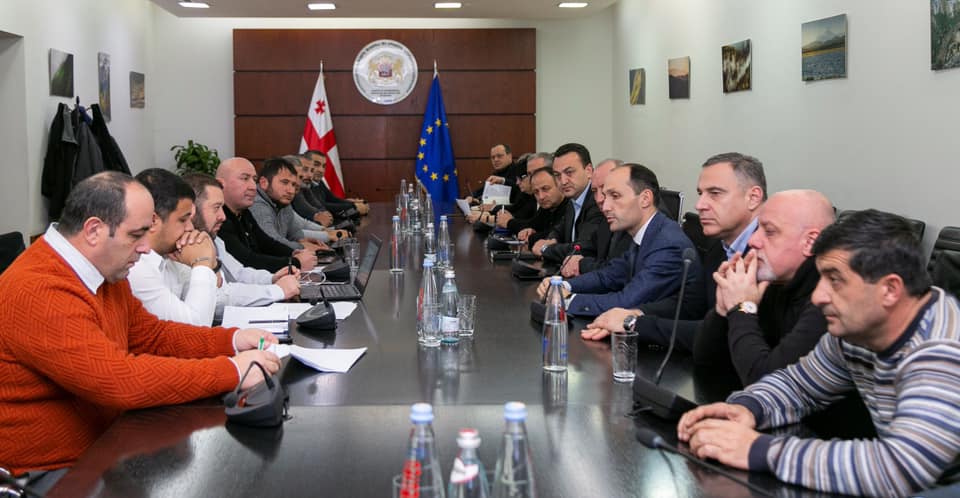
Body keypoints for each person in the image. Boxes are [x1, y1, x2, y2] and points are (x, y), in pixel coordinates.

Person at [0, 171, 279, 486]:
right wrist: (232, 371)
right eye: (136, 235)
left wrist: (231, 341)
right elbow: (118, 380)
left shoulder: (103, 270)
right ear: (93, 230)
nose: (146, 248)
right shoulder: (38, 288)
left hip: (104, 444)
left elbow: (153, 336)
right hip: (46, 473)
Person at [678, 209, 960, 497]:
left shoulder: (942, 351)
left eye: (835, 280)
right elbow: (798, 385)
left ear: (890, 289)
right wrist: (748, 407)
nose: (818, 296)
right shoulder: (856, 332)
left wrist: (758, 449)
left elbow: (900, 470)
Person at [582, 152, 766, 350]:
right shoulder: (718, 246)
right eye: (700, 194)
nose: (699, 205)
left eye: (715, 193)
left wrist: (633, 323)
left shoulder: (768, 257)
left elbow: (724, 337)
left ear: (753, 197)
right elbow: (691, 306)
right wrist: (635, 313)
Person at [691, 189, 834, 386]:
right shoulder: (770, 281)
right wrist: (722, 311)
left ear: (810, 242)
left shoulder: (828, 301)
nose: (753, 240)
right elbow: (706, 363)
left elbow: (769, 383)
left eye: (770, 231)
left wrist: (742, 308)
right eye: (757, 228)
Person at [536, 164, 701, 318]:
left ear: (645, 199)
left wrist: (566, 300)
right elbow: (609, 276)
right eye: (605, 196)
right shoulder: (647, 233)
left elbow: (627, 302)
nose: (605, 206)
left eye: (615, 196)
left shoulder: (667, 244)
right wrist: (563, 286)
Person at [182, 173, 300, 312]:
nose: (223, 216)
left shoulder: (214, 239)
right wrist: (277, 290)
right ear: (192, 211)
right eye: (216, 208)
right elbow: (215, 301)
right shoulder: (183, 247)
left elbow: (238, 274)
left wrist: (272, 279)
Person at [127, 168, 220, 325]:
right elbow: (195, 329)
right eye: (183, 220)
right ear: (153, 221)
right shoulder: (136, 268)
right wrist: (203, 263)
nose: (190, 228)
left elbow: (213, 300)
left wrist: (211, 264)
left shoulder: (170, 254)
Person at [216, 157, 317, 273]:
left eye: (254, 179)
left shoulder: (243, 212)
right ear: (220, 184)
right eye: (245, 178)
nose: (253, 186)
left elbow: (266, 243)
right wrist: (295, 262)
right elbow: (246, 261)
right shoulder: (217, 218)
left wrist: (293, 253)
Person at [532, 143, 604, 263]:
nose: (563, 181)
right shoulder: (572, 201)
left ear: (588, 171)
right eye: (557, 175)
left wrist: (545, 249)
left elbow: (582, 248)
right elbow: (559, 230)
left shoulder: (598, 202)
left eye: (569, 172)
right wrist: (551, 239)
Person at [560, 158, 632, 277]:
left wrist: (582, 263)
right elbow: (589, 246)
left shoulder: (637, 223)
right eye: (594, 191)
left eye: (605, 189)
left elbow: (616, 272)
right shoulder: (607, 217)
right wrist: (574, 258)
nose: (599, 199)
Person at [248, 157, 334, 252]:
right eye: (285, 182)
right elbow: (272, 242)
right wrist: (301, 246)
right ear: (264, 183)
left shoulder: (282, 202)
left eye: (293, 184)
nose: (291, 191)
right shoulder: (256, 203)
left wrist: (305, 240)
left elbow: (294, 233)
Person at [303, 150, 368, 216]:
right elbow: (321, 206)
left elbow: (332, 199)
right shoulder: (302, 184)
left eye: (324, 166)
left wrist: (352, 203)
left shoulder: (318, 182)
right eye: (316, 165)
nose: (321, 170)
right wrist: (354, 207)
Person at [516, 166, 568, 248]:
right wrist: (530, 231)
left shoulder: (571, 207)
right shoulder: (546, 206)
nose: (541, 197)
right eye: (536, 192)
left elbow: (558, 235)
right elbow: (534, 225)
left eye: (545, 189)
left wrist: (533, 237)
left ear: (559, 184)